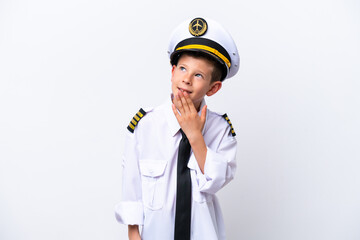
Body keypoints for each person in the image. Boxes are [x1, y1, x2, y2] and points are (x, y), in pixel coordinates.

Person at [115, 17, 240, 240]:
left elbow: (216, 180)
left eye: (198, 75)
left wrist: (195, 136)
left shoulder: (221, 130)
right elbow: (131, 185)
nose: (187, 79)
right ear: (172, 72)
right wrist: (134, 234)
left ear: (213, 88)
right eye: (183, 68)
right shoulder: (145, 125)